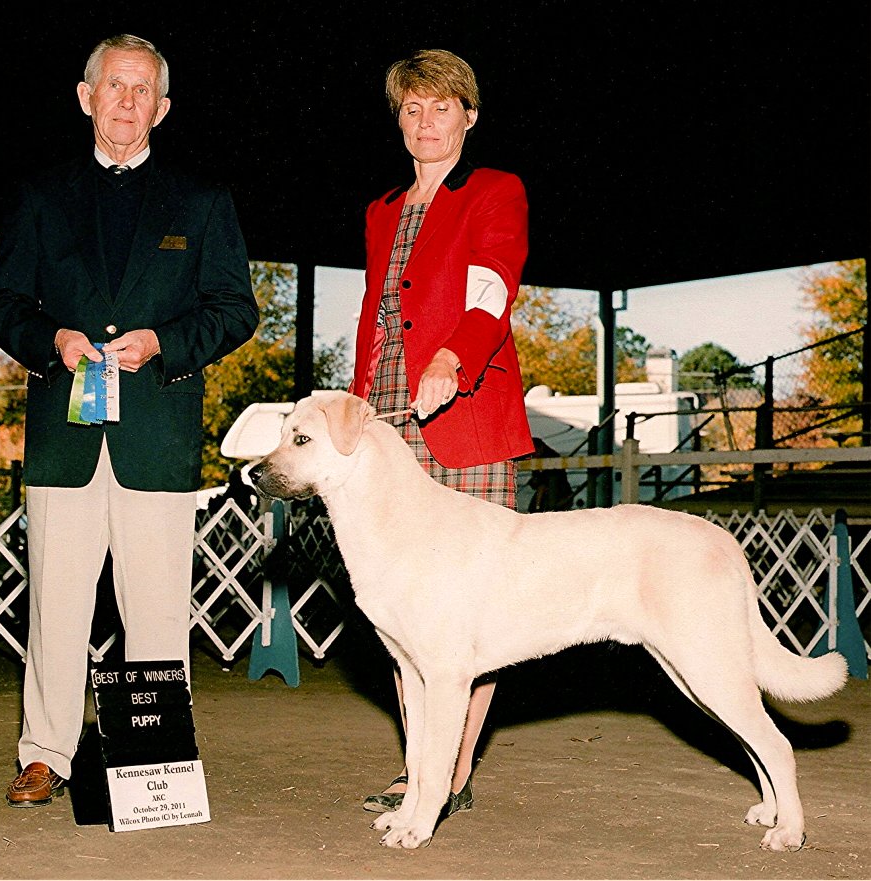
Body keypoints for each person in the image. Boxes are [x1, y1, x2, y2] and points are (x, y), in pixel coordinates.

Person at [0, 33, 259, 808]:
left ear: (162, 109)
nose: (127, 102)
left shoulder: (203, 204)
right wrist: (55, 341)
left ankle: (155, 760)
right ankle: (46, 753)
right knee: (55, 604)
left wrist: (165, 344)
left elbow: (236, 309)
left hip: (157, 438)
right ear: (86, 96)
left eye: (143, 91)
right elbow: (2, 307)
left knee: (159, 607)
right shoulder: (39, 197)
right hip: (63, 438)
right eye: (115, 86)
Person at [350, 48, 534, 819]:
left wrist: (453, 360)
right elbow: (374, 314)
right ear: (399, 121)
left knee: (471, 608)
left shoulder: (493, 190)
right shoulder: (381, 208)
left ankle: (453, 772)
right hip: (386, 412)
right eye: (412, 109)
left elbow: (494, 286)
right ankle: (418, 767)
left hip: (465, 405)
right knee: (401, 602)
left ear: (469, 116)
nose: (426, 122)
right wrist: (357, 400)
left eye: (442, 107)